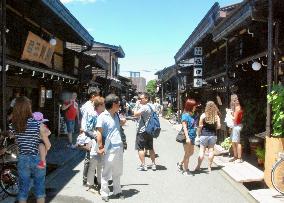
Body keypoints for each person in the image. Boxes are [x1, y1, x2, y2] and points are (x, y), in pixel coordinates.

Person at [12, 97, 47, 203]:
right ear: (28, 108)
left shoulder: (15, 125)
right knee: (40, 188)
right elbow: (46, 141)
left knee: (23, 190)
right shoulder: (37, 123)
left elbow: (17, 142)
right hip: (37, 158)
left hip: (22, 158)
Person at [96, 94, 126, 202]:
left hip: (119, 146)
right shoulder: (102, 116)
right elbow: (99, 132)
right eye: (118, 104)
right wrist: (100, 147)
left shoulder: (116, 115)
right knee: (107, 171)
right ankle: (104, 193)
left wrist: (123, 120)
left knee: (118, 170)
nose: (120, 105)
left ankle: (117, 191)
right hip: (109, 147)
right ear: (113, 104)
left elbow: (120, 124)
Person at [79, 91, 100, 186]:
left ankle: (90, 178)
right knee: (89, 158)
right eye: (97, 96)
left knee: (92, 157)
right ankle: (86, 179)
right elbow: (87, 125)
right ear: (93, 97)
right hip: (89, 135)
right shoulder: (88, 107)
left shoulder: (89, 106)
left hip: (90, 133)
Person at [85, 96, 105, 192]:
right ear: (99, 105)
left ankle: (100, 183)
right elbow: (87, 130)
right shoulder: (93, 115)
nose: (105, 106)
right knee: (93, 164)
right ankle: (90, 184)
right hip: (94, 142)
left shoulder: (105, 115)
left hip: (104, 142)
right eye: (103, 104)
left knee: (101, 165)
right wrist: (95, 136)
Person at [195, 101, 221, 173]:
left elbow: (200, 126)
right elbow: (219, 126)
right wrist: (214, 127)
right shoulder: (216, 116)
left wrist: (198, 134)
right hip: (213, 135)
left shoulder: (203, 115)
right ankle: (209, 167)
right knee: (211, 150)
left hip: (204, 135)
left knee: (201, 151)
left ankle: (198, 166)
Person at [133, 92, 156, 171]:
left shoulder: (144, 107)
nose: (140, 100)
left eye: (141, 98)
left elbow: (135, 114)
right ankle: (153, 164)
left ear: (146, 99)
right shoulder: (152, 106)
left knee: (140, 148)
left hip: (142, 130)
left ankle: (144, 165)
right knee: (151, 148)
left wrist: (136, 105)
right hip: (150, 130)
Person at [176, 98, 198, 176]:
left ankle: (180, 163)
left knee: (191, 153)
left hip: (192, 136)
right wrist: (187, 137)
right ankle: (186, 170)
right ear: (190, 106)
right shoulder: (185, 115)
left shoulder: (194, 115)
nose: (196, 107)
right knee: (187, 153)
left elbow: (195, 126)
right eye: (194, 106)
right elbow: (184, 127)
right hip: (187, 137)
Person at [227, 94, 244, 163]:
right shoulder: (236, 107)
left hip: (237, 126)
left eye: (232, 100)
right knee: (233, 142)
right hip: (235, 126)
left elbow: (235, 119)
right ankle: (235, 156)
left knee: (237, 142)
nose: (231, 101)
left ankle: (239, 158)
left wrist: (228, 113)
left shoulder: (237, 108)